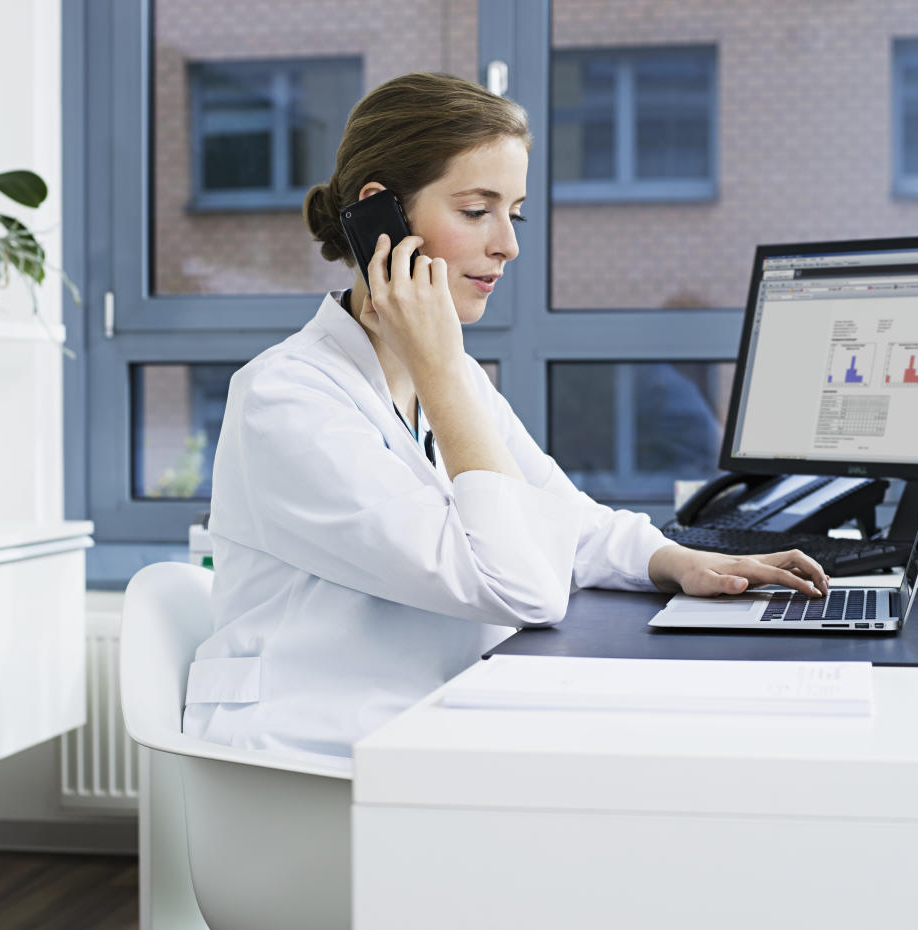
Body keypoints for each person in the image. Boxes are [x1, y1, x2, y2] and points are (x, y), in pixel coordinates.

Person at [183, 72, 827, 764]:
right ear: (381, 218)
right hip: (313, 766)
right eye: (475, 210)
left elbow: (561, 516)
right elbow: (517, 587)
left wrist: (680, 562)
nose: (507, 246)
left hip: (424, 731)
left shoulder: (449, 382)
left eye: (512, 214)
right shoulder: (287, 400)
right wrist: (440, 370)